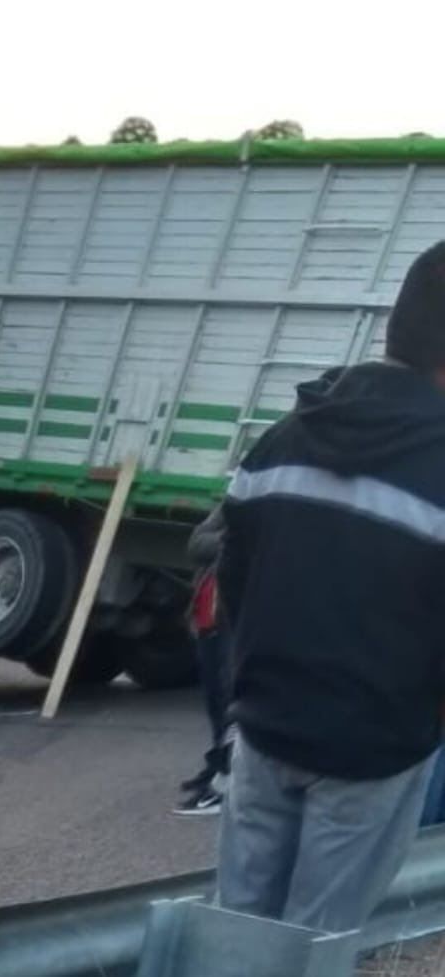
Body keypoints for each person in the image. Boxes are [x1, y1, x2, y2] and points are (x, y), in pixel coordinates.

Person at [215, 241, 445, 935]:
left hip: (263, 734)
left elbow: (233, 581)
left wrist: (252, 690)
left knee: (237, 931)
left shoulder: (284, 437)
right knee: (317, 945)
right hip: (372, 754)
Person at [173, 504, 230, 816]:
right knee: (214, 703)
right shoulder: (229, 508)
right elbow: (196, 544)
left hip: (233, 627)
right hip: (206, 623)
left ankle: (226, 778)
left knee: (231, 705)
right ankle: (216, 765)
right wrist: (228, 540)